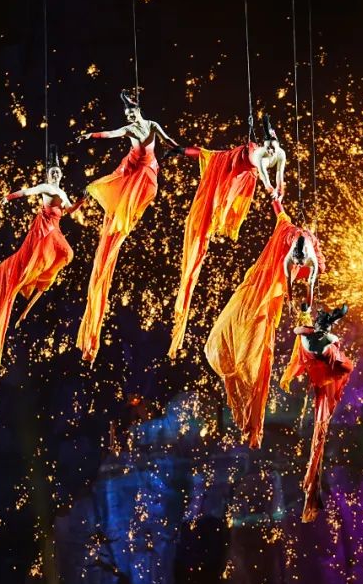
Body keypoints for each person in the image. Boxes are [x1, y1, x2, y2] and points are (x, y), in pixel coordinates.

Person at [204, 198, 323, 448]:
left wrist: (305, 309)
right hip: (258, 292)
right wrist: (273, 196)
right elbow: (288, 284)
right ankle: (248, 413)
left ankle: (251, 419)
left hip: (265, 298)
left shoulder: (310, 259)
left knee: (257, 353)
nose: (297, 264)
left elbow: (308, 288)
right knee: (247, 344)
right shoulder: (289, 250)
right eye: (296, 261)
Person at [167, 115, 289, 357]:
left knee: (215, 169)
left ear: (276, 144)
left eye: (273, 147)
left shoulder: (280, 153)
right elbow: (266, 178)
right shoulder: (261, 155)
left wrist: (280, 193)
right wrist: (271, 191)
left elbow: (279, 178)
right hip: (236, 162)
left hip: (243, 171)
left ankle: (178, 150)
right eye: (268, 147)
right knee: (212, 162)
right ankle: (178, 150)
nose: (271, 151)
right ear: (264, 145)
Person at [74, 90, 179, 362]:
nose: (129, 116)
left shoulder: (152, 125)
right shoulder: (130, 129)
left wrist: (178, 149)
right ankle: (118, 214)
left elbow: (167, 140)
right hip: (131, 171)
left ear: (138, 109)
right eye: (127, 113)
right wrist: (90, 135)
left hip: (146, 172)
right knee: (117, 210)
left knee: (145, 190)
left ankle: (125, 214)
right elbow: (111, 134)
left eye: (131, 112)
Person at [0, 165, 84, 422]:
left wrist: (81, 199)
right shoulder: (46, 187)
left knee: (67, 255)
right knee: (41, 260)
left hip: (55, 232)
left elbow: (69, 211)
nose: (56, 175)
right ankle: (17, 277)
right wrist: (8, 197)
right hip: (45, 233)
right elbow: (27, 192)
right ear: (49, 175)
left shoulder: (61, 192)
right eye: (53, 172)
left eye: (58, 173)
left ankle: (35, 285)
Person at [280, 304, 354, 522]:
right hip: (327, 372)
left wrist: (307, 315)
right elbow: (331, 345)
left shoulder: (310, 336)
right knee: (321, 426)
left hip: (324, 372)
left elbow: (300, 329)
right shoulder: (322, 340)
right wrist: (323, 325)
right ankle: (313, 488)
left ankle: (314, 487)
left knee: (321, 425)